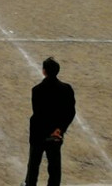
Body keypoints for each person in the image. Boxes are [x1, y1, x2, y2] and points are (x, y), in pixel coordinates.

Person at [22, 57, 76, 186]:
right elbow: (70, 112)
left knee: (34, 165)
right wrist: (59, 129)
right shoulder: (66, 89)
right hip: (55, 135)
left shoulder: (37, 90)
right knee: (54, 167)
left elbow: (38, 113)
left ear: (44, 71)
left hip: (38, 134)